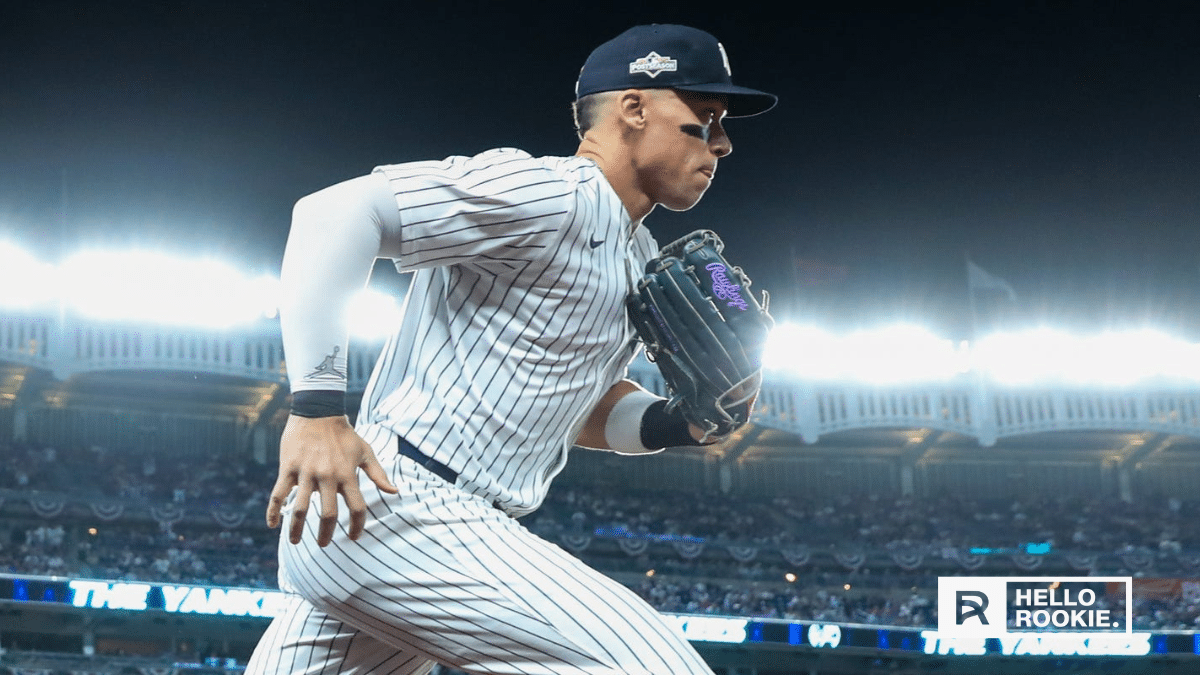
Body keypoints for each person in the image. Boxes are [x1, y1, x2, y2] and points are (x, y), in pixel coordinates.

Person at [247, 24, 776, 675]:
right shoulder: (552, 194)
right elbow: (335, 215)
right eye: (704, 118)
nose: (721, 142)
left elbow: (586, 406)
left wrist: (681, 421)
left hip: (400, 530)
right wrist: (317, 409)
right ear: (634, 109)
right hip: (404, 504)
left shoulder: (635, 257)